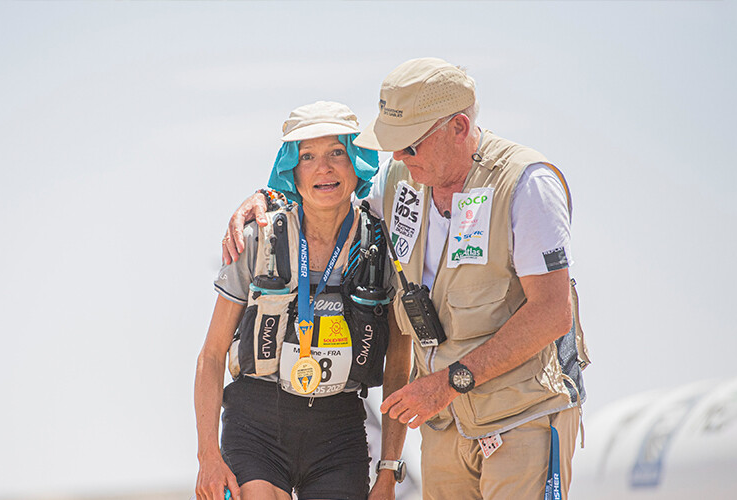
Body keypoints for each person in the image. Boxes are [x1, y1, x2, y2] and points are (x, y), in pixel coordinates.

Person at [221, 59, 590, 500]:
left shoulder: (526, 185)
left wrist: (451, 381)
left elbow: (552, 314)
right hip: (445, 425)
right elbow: (330, 193)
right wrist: (268, 195)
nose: (397, 156)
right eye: (393, 145)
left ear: (458, 127)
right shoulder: (402, 181)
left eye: (410, 144)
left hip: (521, 416)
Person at [195, 101, 412, 500]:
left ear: (358, 163)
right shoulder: (259, 238)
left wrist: (389, 470)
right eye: (307, 156)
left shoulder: (384, 247)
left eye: (336, 153)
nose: (323, 168)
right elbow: (211, 355)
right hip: (256, 424)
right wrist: (208, 454)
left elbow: (400, 363)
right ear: (291, 169)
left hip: (339, 430)